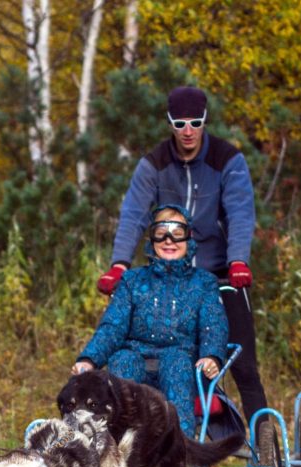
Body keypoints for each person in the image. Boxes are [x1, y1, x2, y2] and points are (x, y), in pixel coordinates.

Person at [96, 86, 268, 422]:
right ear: (169, 123)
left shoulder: (227, 160)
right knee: (156, 362)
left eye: (195, 122)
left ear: (205, 120)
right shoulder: (154, 164)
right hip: (167, 278)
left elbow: (240, 213)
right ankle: (154, 446)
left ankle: (268, 449)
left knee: (244, 366)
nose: (187, 131)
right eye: (179, 124)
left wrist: (238, 261)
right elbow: (134, 214)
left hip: (220, 276)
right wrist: (119, 264)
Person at [72, 204, 227, 438]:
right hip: (136, 355)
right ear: (152, 240)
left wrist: (211, 355)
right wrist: (89, 359)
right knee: (122, 361)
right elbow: (113, 326)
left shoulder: (203, 282)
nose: (168, 241)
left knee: (176, 364)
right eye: (160, 234)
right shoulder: (132, 280)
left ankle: (180, 448)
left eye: (177, 235)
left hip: (181, 358)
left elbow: (213, 324)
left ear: (188, 238)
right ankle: (123, 447)